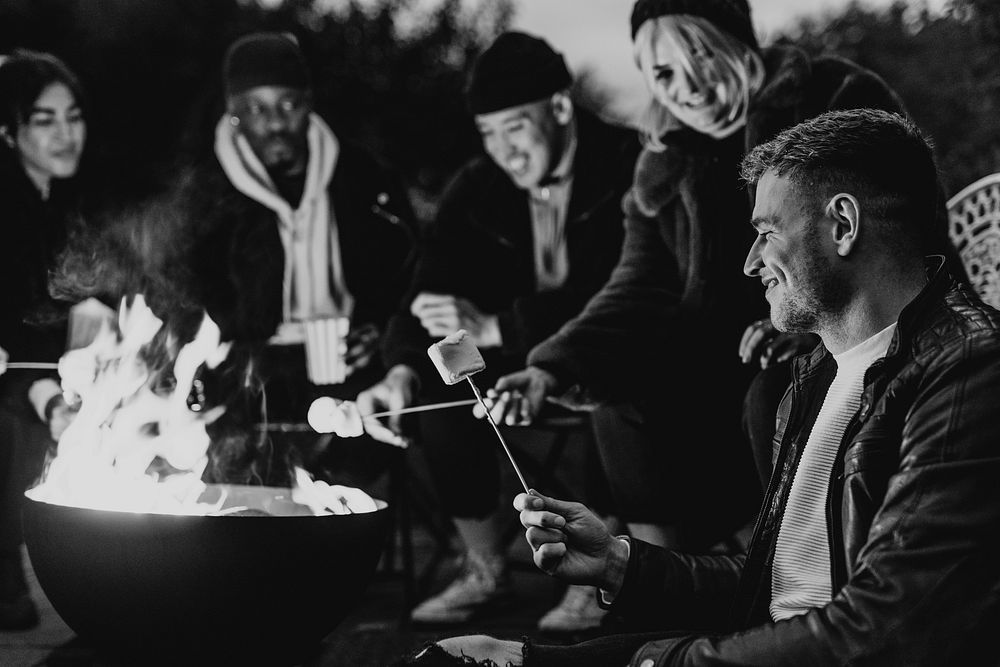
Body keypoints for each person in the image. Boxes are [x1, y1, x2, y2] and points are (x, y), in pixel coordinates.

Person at [396, 107, 1000, 667]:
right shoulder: (817, 375)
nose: (749, 261)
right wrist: (618, 562)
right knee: (473, 657)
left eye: (768, 231)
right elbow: (779, 583)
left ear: (843, 224)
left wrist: (657, 662)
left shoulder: (969, 371)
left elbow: (884, 627)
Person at [481, 0, 910, 555]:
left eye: (701, 55)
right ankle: (659, 584)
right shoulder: (664, 160)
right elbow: (638, 285)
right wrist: (550, 367)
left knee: (776, 396)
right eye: (662, 72)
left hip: (854, 335)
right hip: (714, 361)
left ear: (739, 44)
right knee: (623, 399)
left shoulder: (835, 101)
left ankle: (803, 585)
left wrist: (805, 322)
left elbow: (893, 231)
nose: (688, 86)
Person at [356, 31, 640, 630]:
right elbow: (424, 289)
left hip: (601, 343)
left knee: (611, 382)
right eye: (488, 132)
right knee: (439, 392)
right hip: (502, 354)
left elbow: (624, 289)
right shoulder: (478, 186)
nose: (502, 149)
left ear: (560, 108)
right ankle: (485, 566)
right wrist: (402, 367)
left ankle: (598, 566)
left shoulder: (628, 163)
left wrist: (499, 323)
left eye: (515, 127)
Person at [173, 32, 416, 489]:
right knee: (242, 470)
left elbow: (408, 271)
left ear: (309, 102)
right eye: (257, 109)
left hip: (346, 365)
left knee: (351, 466)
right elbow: (181, 291)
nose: (275, 123)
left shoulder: (363, 177)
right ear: (234, 113)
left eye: (288, 105)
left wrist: (380, 330)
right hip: (249, 371)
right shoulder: (207, 191)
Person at [0, 49, 90, 629]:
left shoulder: (52, 202)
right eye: (45, 119)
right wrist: (45, 395)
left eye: (73, 115)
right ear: (8, 130)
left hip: (31, 378)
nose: (66, 133)